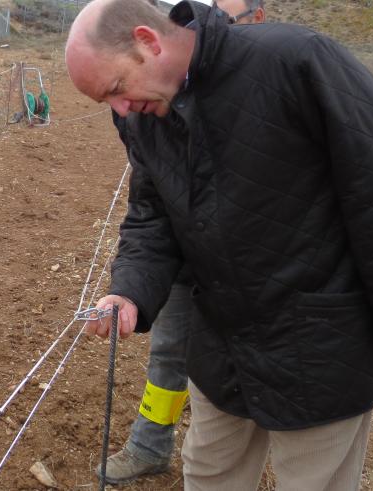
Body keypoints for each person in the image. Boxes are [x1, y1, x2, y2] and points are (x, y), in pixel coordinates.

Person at [65, 0, 373, 489]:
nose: (120, 109)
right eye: (108, 102)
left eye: (117, 88)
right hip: (223, 341)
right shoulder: (141, 117)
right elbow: (152, 215)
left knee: (312, 481)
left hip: (324, 337)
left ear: (147, 40)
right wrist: (130, 290)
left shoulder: (294, 60)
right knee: (208, 471)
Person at [107, 0, 269, 484]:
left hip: (252, 263)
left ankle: (263, 453)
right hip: (181, 244)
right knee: (170, 349)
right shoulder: (152, 85)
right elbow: (149, 175)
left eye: (231, 15)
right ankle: (150, 442)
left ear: (257, 18)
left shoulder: (272, 79)